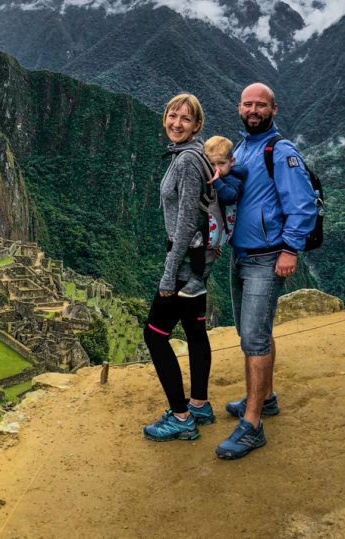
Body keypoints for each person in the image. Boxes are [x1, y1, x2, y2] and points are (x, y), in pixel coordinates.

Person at [215, 83, 318, 460]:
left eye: (261, 105)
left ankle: (253, 424)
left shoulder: (281, 151)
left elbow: (303, 203)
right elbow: (235, 196)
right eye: (248, 104)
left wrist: (291, 249)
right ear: (239, 108)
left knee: (254, 340)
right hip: (240, 256)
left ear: (274, 110)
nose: (253, 109)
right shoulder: (241, 149)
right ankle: (265, 397)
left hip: (266, 256)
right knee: (251, 333)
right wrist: (220, 179)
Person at [142, 93, 215, 443]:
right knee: (195, 330)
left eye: (185, 119)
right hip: (199, 266)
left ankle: (181, 416)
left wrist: (169, 274)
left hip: (184, 265)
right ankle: (199, 403)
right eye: (173, 116)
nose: (177, 123)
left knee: (154, 336)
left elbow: (186, 223)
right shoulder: (199, 155)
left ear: (197, 125)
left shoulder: (186, 161)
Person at [178, 135, 247, 298]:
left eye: (221, 164)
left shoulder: (232, 180)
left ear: (232, 161)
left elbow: (230, 196)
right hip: (213, 222)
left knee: (196, 243)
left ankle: (197, 279)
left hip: (219, 224)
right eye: (211, 164)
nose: (216, 169)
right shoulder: (223, 175)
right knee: (197, 243)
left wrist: (217, 182)